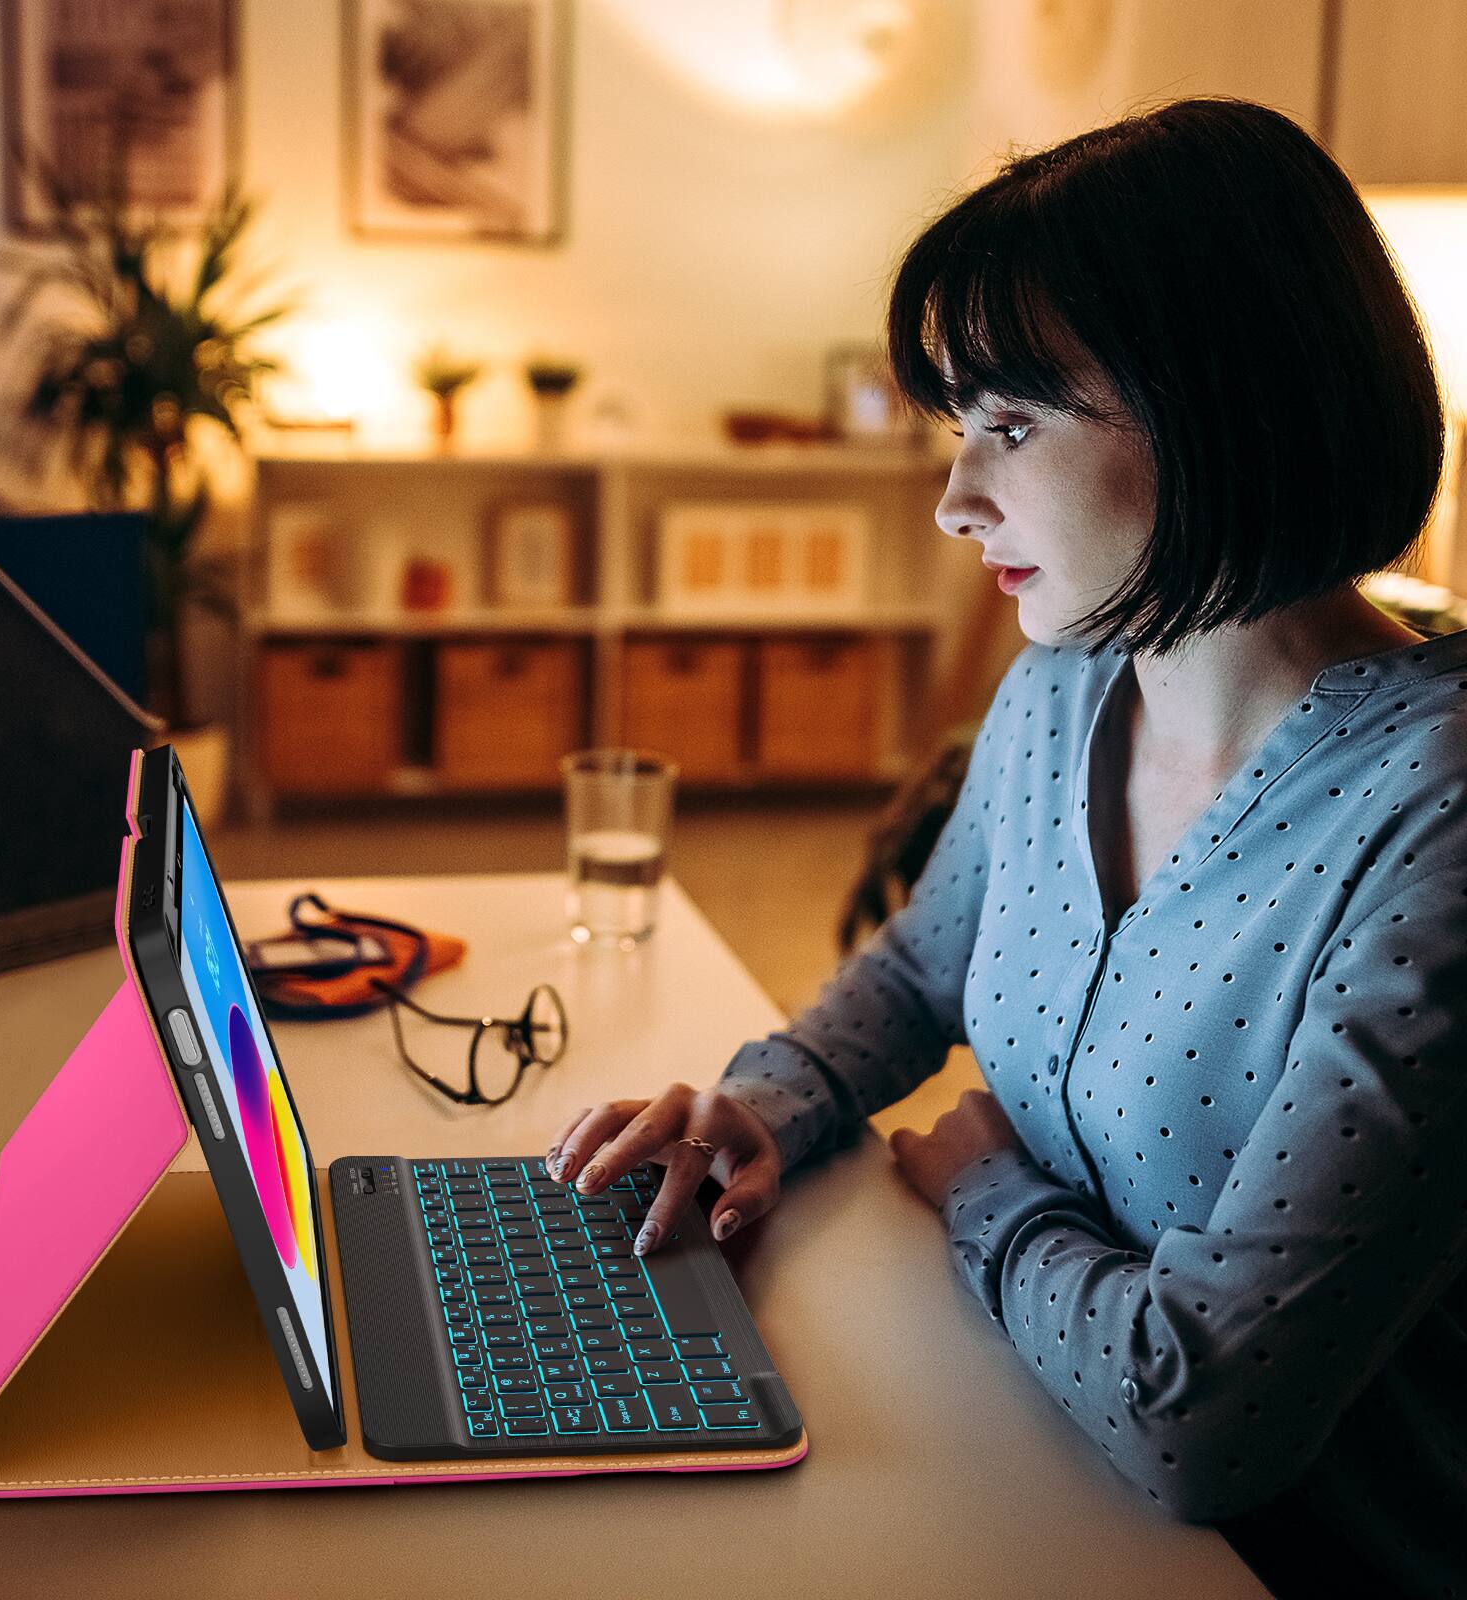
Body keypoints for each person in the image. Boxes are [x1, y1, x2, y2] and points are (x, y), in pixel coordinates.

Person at [544, 99, 1467, 1594]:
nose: (955, 500)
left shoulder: (1434, 818)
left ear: (1217, 401)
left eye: (1013, 427)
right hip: (1022, 1441)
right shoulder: (1063, 687)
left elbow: (1204, 1420)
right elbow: (929, 960)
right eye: (958, 428)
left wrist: (983, 1186)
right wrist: (768, 1105)